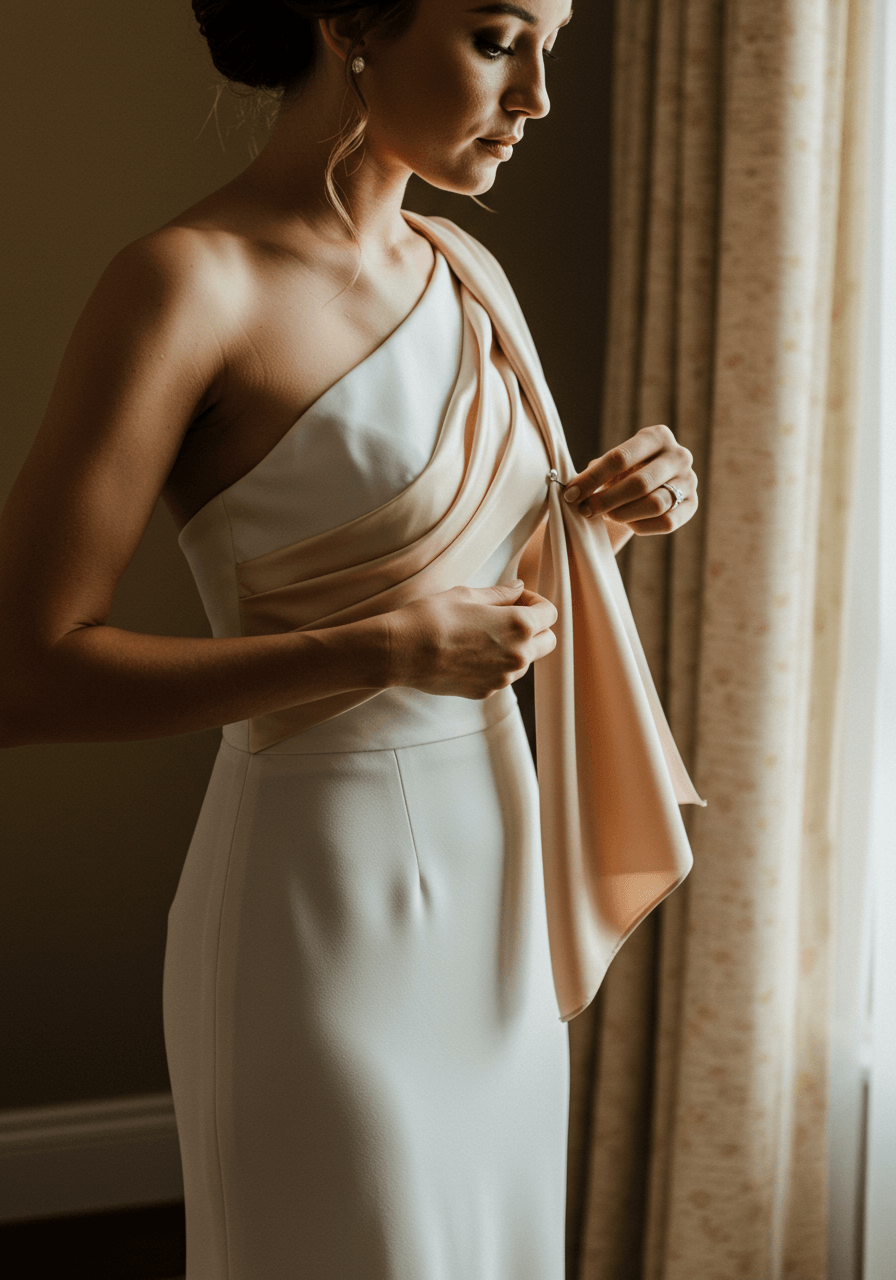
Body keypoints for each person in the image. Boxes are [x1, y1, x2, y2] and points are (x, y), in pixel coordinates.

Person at [0, 1, 702, 1275]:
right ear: (349, 23)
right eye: (498, 38)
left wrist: (596, 527)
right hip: (314, 903)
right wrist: (376, 652)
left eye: (553, 43)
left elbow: (486, 598)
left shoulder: (462, 270)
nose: (537, 95)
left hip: (495, 883)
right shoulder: (185, 283)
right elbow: (26, 673)